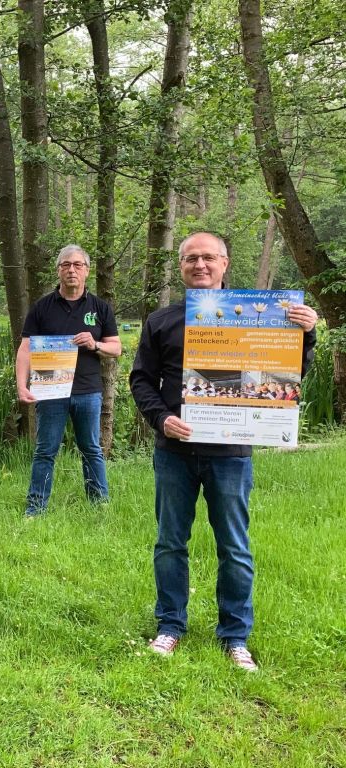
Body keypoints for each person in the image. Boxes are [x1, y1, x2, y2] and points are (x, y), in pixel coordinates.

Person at [129, 232, 318, 671]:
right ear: (181, 266)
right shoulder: (161, 320)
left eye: (208, 257)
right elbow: (141, 380)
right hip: (175, 450)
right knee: (170, 543)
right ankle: (170, 626)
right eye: (191, 258)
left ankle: (235, 636)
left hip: (231, 451)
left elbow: (288, 375)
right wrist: (161, 419)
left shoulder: (260, 316)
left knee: (234, 546)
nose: (200, 265)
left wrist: (306, 335)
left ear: (225, 263)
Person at [15, 244, 122, 517]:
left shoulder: (100, 308)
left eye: (77, 265)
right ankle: (35, 509)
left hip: (88, 392)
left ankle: (100, 506)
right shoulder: (42, 308)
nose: (71, 270)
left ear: (86, 271)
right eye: (66, 265)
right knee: (45, 451)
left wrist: (94, 343)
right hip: (50, 391)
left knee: (91, 449)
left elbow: (116, 348)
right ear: (58, 271)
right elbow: (25, 348)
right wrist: (21, 385)